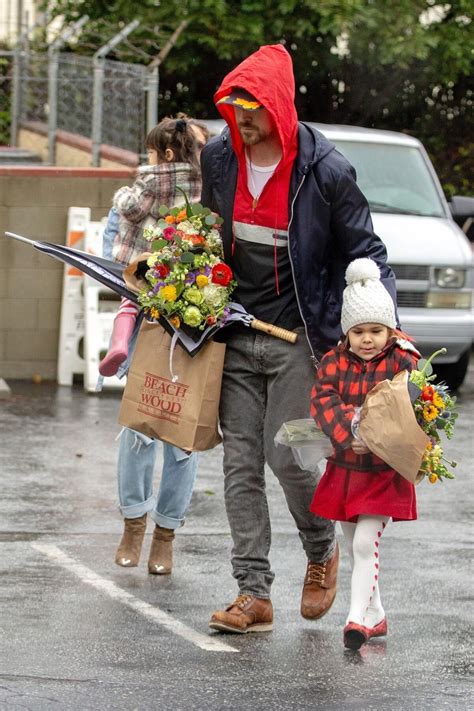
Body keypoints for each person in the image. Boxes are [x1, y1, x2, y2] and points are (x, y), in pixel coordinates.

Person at [200, 44, 399, 634]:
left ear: (280, 107)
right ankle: (252, 593)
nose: (243, 119)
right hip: (235, 332)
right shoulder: (220, 159)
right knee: (239, 464)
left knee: (289, 455)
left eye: (254, 107)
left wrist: (382, 328)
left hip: (299, 338)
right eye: (234, 107)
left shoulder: (327, 170)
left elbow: (367, 252)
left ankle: (321, 552)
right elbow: (207, 236)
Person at [101, 116, 208, 574]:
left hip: (194, 323)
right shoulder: (204, 189)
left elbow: (117, 249)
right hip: (154, 316)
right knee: (139, 431)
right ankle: (135, 526)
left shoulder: (152, 189)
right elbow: (112, 258)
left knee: (180, 439)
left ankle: (164, 534)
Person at [310, 258, 419, 650]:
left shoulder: (403, 360)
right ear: (347, 332)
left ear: (389, 329)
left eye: (376, 330)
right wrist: (348, 431)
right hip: (346, 466)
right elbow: (322, 399)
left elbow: (415, 405)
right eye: (359, 332)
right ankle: (376, 613)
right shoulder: (334, 361)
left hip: (383, 470)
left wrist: (377, 434)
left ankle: (355, 620)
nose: (368, 339)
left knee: (364, 542)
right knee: (357, 540)